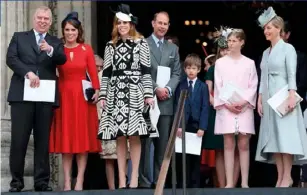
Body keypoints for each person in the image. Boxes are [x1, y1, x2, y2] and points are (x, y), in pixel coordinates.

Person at [6, 6, 66, 192]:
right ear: (34, 19)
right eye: (39, 18)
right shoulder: (19, 36)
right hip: (22, 96)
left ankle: (41, 182)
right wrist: (28, 73)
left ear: (50, 22)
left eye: (46, 19)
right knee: (19, 140)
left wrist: (50, 50)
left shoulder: (55, 42)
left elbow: (62, 59)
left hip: (44, 97)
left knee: (42, 141)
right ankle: (16, 182)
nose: (42, 21)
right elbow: (11, 59)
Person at [98, 4, 156, 189]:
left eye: (125, 22)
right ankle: (122, 179)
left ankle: (134, 178)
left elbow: (146, 71)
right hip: (116, 93)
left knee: (135, 135)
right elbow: (106, 72)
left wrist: (148, 94)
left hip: (135, 92)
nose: (122, 25)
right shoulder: (110, 45)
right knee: (120, 136)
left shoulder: (141, 43)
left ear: (131, 24)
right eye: (119, 23)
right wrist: (103, 95)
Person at [49, 12, 101, 191]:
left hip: (82, 98)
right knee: (66, 141)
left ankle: (79, 180)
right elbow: (49, 70)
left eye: (73, 29)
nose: (70, 33)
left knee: (81, 140)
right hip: (63, 96)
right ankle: (66, 182)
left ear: (79, 31)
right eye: (67, 29)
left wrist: (97, 89)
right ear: (63, 31)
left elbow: (93, 73)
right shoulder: (57, 48)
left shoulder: (86, 49)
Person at [255, 7, 307, 188]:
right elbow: (263, 77)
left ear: (278, 29)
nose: (266, 31)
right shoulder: (265, 52)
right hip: (269, 97)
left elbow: (292, 73)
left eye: (269, 28)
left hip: (284, 96)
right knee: (274, 138)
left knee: (286, 137)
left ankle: (288, 176)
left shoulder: (288, 48)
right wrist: (260, 99)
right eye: (264, 28)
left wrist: (292, 95)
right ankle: (280, 176)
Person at [139, 11, 181, 188]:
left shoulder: (173, 49)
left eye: (166, 24)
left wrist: (167, 89)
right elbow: (140, 71)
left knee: (163, 145)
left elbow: (177, 73)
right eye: (160, 23)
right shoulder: (142, 44)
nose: (162, 26)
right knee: (144, 144)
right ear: (153, 23)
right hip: (146, 101)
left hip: (165, 102)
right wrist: (155, 88)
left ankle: (159, 181)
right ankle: (143, 181)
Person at [214, 29, 258, 188]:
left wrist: (244, 102)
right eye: (229, 40)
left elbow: (253, 85)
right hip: (226, 106)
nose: (230, 43)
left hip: (244, 107)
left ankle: (244, 182)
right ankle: (229, 183)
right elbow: (218, 86)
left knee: (244, 143)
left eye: (234, 40)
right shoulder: (220, 63)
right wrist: (227, 103)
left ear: (242, 42)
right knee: (228, 143)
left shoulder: (249, 63)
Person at [174, 53, 209, 188]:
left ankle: (195, 184)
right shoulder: (181, 86)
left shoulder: (202, 87)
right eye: (188, 68)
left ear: (199, 70)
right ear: (184, 69)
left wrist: (202, 127)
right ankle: (184, 183)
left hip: (197, 127)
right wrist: (178, 125)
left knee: (196, 157)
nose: (191, 71)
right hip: (183, 126)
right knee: (183, 157)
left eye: (194, 68)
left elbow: (205, 107)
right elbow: (177, 107)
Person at [281, 20, 307, 187]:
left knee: (293, 142)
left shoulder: (301, 56)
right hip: (273, 105)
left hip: (294, 105)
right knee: (277, 143)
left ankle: (295, 178)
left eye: (282, 32)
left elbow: (303, 82)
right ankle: (281, 177)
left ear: (287, 35)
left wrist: (289, 98)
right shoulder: (266, 54)